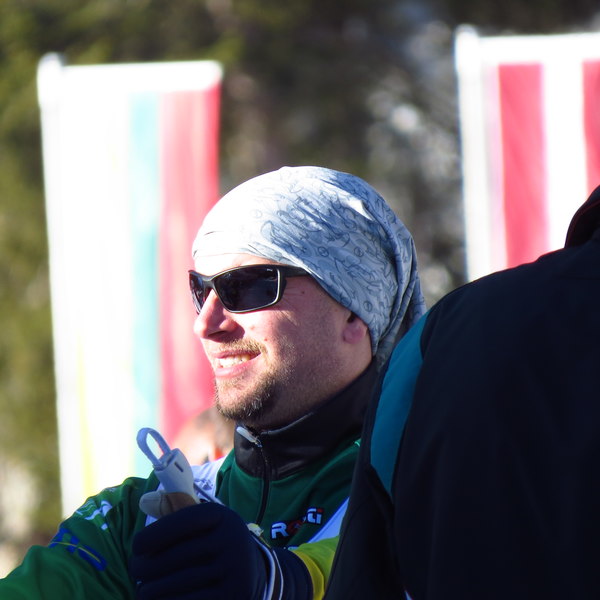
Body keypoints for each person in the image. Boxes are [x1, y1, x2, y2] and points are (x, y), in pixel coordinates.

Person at [0, 166, 425, 599]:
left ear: (352, 311)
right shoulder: (136, 518)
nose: (205, 324)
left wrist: (284, 581)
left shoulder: (430, 489)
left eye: (247, 287)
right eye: (201, 291)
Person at [324, 185, 600, 599]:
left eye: (253, 285)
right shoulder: (435, 339)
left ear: (353, 313)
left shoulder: (442, 331)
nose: (221, 319)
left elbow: (364, 573)